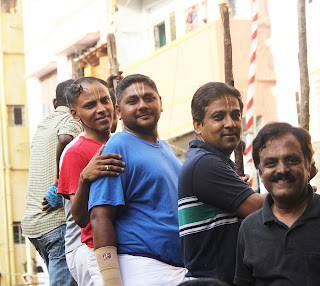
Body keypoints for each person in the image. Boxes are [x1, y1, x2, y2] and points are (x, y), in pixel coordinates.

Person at [88, 74, 186, 286]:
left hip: (175, 268)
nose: (142, 105)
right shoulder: (118, 146)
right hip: (142, 267)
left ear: (160, 103)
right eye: (132, 101)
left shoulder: (167, 149)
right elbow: (100, 216)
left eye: (149, 98)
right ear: (118, 112)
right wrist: (111, 280)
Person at [178, 82, 264, 284]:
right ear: (197, 125)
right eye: (218, 117)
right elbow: (262, 211)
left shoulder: (208, 162)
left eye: (235, 115)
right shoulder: (205, 164)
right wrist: (298, 193)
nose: (230, 123)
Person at [57, 76, 125, 285]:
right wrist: (85, 178)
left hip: (124, 246)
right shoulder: (74, 152)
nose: (101, 109)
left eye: (104, 100)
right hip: (95, 252)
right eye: (90, 105)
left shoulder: (119, 142)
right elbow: (80, 218)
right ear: (75, 114)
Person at [234, 122, 320, 286]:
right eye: (271, 163)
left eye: (292, 160)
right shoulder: (249, 229)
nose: (281, 170)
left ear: (309, 166)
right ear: (260, 173)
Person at [21, 79, 83, 285]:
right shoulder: (73, 119)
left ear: (56, 103)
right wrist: (59, 182)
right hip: (55, 223)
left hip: (34, 224)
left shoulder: (43, 124)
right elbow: (65, 138)